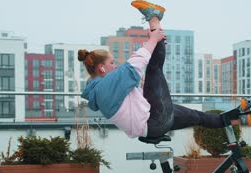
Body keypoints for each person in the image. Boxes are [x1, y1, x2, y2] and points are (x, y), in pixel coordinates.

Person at [79, 1, 235, 139]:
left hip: (152, 121)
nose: (115, 66)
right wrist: (153, 40)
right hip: (154, 122)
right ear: (101, 67)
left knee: (197, 116)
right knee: (154, 68)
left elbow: (130, 104)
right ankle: (154, 18)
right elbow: (133, 66)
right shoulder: (104, 88)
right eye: (112, 63)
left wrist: (144, 85)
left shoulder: (101, 88)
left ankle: (230, 119)